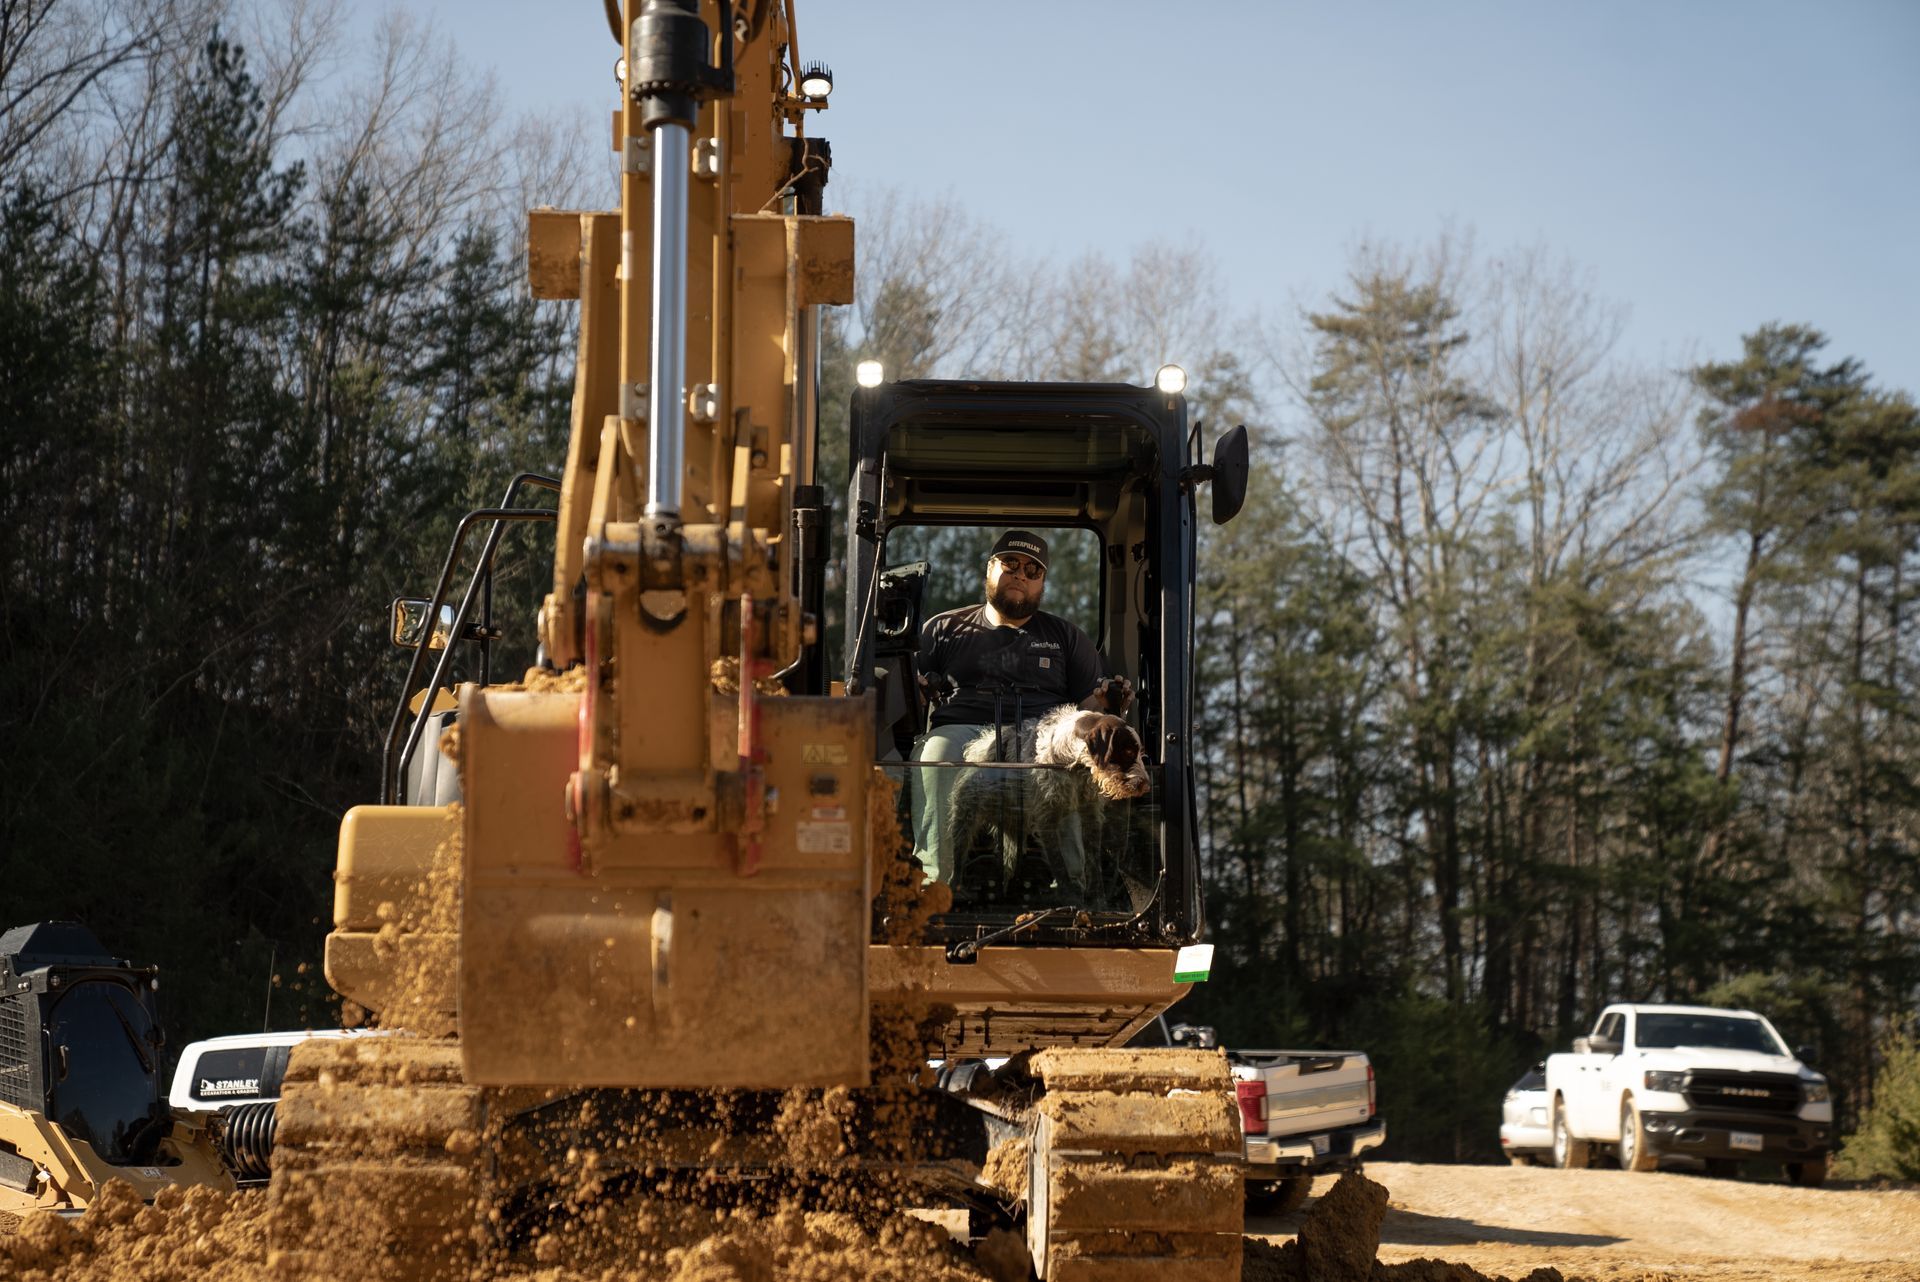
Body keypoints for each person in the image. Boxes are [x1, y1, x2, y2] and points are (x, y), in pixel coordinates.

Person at [909, 530, 1131, 886]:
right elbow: (908, 698)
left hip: (1041, 740)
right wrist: (917, 692)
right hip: (961, 730)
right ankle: (938, 884)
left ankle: (1073, 889)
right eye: (1010, 564)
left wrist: (1106, 706)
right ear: (990, 570)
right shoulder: (943, 629)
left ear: (1042, 583)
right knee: (935, 754)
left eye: (1032, 570)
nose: (1020, 575)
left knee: (1071, 766)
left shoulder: (1067, 637)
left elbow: (1088, 708)